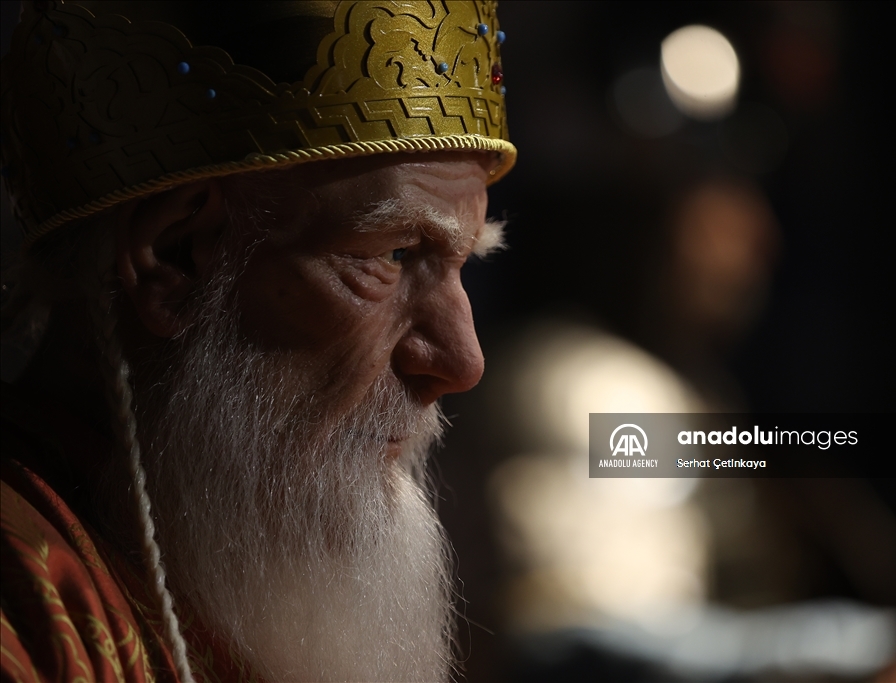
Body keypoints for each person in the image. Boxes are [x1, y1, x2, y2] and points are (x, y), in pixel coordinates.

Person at [0, 2, 514, 681]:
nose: (462, 360)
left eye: (462, 262)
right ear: (176, 256)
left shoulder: (233, 578)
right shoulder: (24, 610)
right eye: (393, 255)